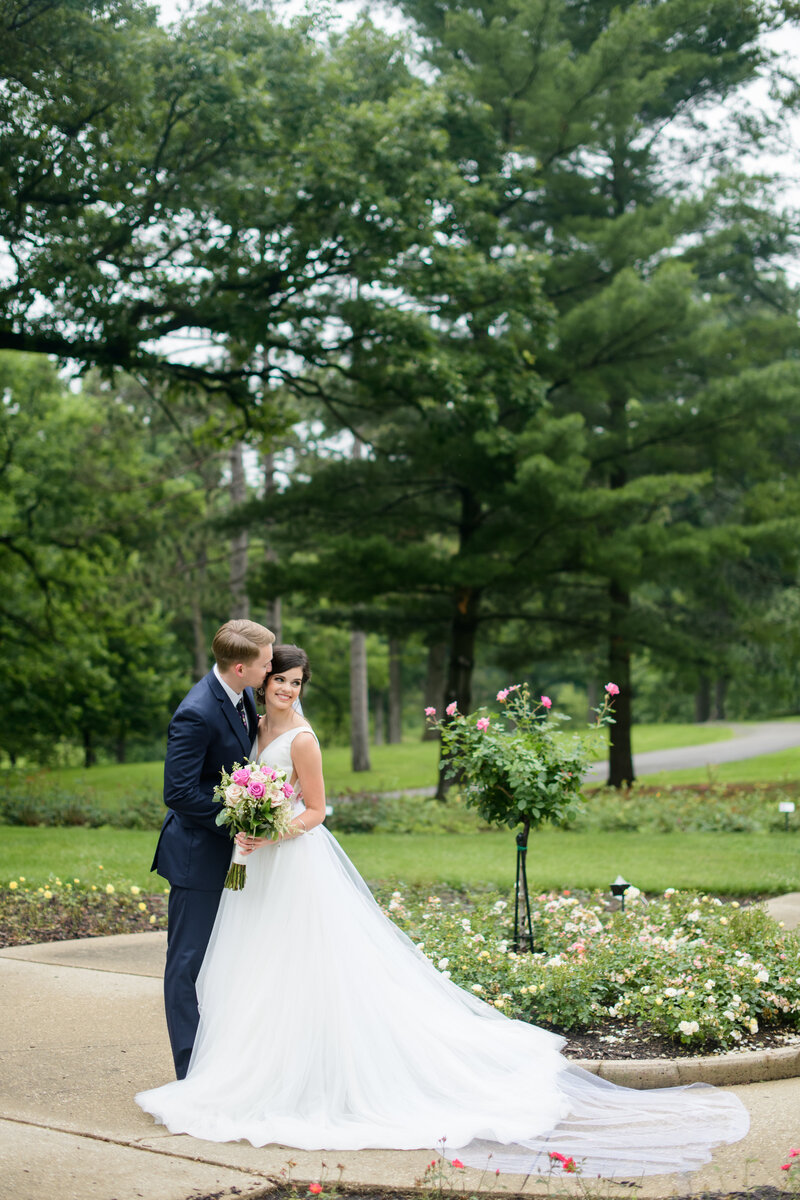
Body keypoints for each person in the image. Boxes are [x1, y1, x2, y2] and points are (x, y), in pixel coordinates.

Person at [137, 645, 749, 1177]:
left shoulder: (300, 737)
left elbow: (318, 811)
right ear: (261, 683)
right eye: (281, 681)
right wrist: (248, 824)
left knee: (311, 966)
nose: (287, 690)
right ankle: (243, 1066)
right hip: (257, 869)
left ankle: (309, 1075)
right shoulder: (249, 722)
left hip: (292, 861)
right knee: (256, 967)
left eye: (295, 684)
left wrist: (269, 830)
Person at [151, 618, 274, 1079]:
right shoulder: (196, 712)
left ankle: (222, 1061)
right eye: (265, 664)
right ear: (241, 667)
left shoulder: (240, 697)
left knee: (226, 961)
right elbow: (179, 793)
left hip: (230, 854)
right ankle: (190, 1073)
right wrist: (238, 817)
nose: (271, 669)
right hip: (196, 859)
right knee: (187, 966)